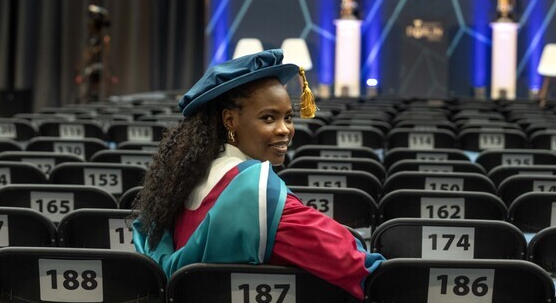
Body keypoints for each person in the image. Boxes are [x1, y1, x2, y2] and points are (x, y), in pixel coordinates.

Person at [131, 49, 384, 299]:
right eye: (268, 118)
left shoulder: (189, 177)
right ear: (230, 120)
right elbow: (353, 263)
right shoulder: (256, 196)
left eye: (288, 117)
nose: (285, 130)